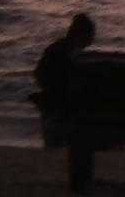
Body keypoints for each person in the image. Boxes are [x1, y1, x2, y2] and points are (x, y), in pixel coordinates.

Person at [30, 13, 96, 144]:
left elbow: (38, 74)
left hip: (51, 108)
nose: (93, 39)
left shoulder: (57, 48)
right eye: (91, 35)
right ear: (83, 35)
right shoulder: (72, 55)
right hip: (60, 112)